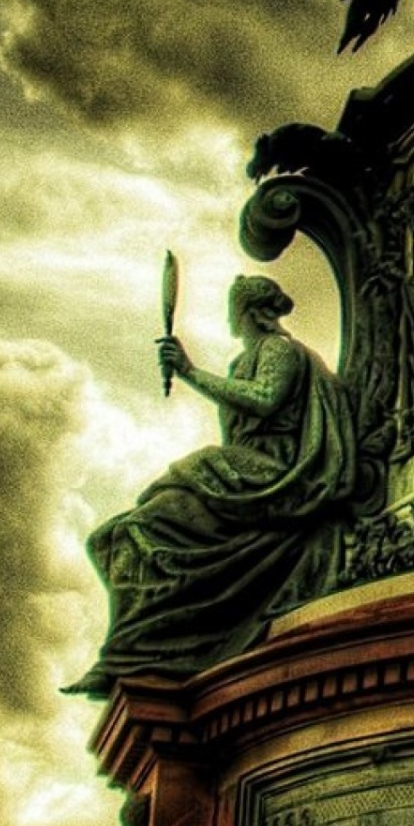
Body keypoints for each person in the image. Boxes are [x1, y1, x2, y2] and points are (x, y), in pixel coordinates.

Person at [71, 274, 356, 691]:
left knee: (138, 530)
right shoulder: (243, 360)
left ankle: (134, 651)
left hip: (271, 474)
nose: (230, 316)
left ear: (248, 312)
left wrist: (188, 372)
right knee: (110, 539)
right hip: (239, 473)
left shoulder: (279, 350)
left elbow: (263, 400)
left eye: (233, 308)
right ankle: (130, 650)